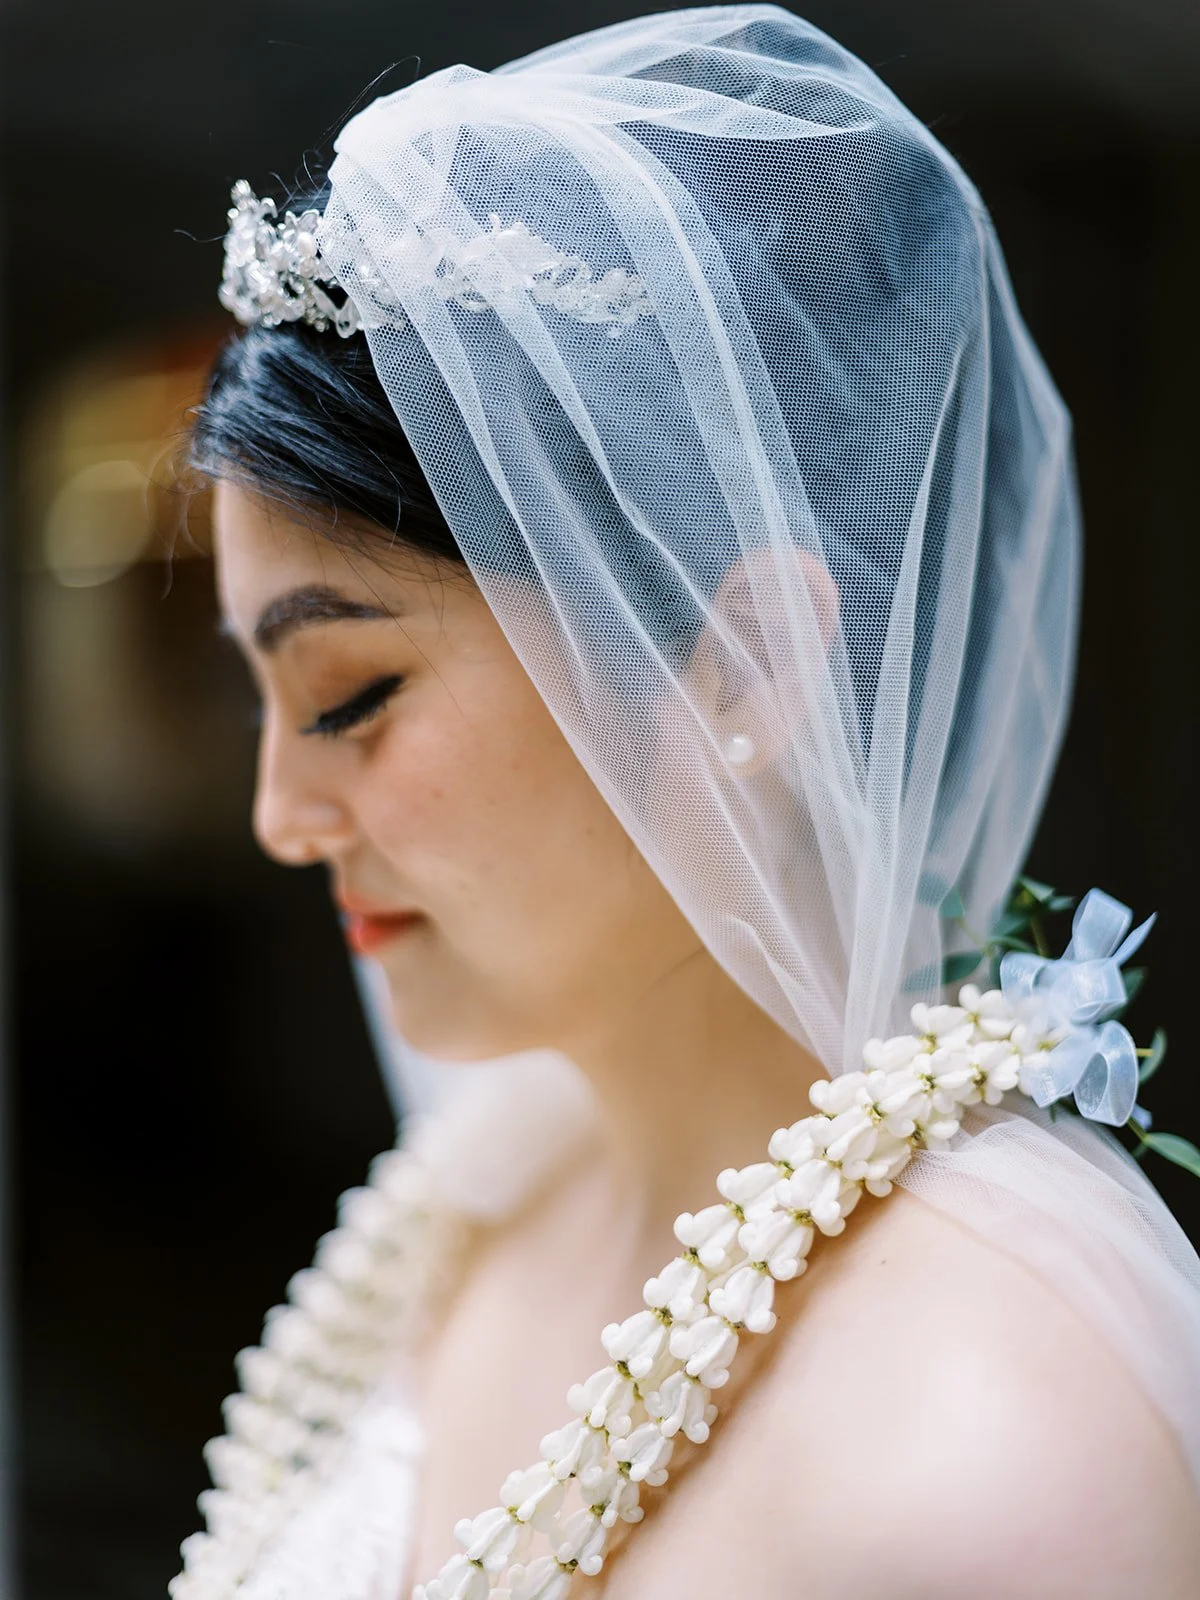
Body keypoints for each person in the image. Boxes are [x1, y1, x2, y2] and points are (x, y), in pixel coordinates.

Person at [175, 7, 1200, 1597]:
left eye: (348, 699)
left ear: (740, 668)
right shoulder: (482, 1205)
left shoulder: (979, 1443)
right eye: (264, 702)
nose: (282, 817)